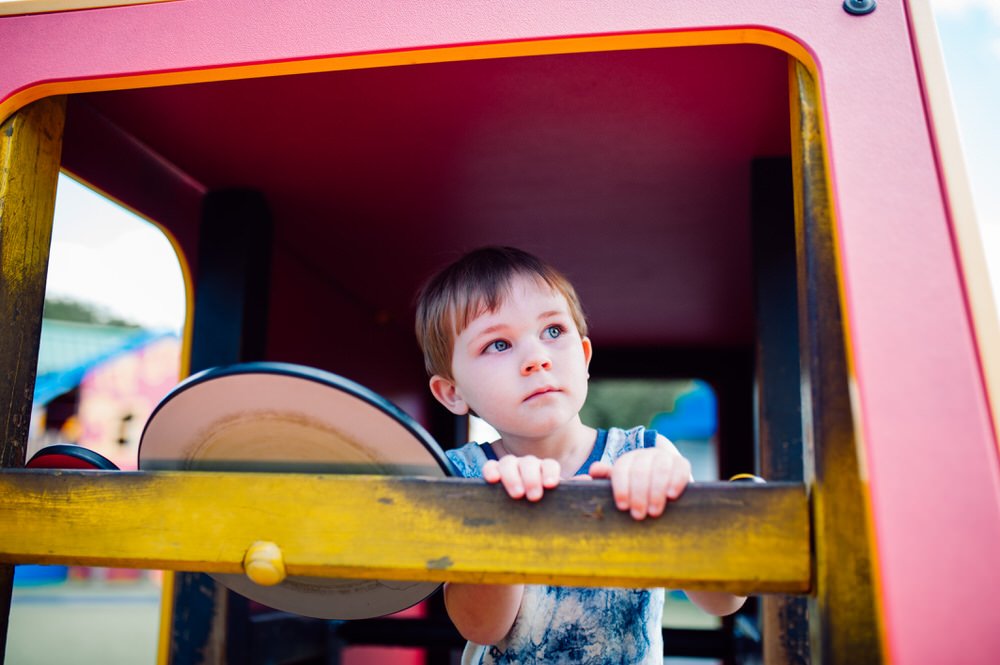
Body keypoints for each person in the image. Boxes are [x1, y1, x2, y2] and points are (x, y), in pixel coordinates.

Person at [414, 246, 747, 664]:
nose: (537, 359)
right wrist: (504, 517)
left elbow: (723, 601)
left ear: (585, 357)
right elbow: (481, 627)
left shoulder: (643, 453)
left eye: (553, 331)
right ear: (453, 392)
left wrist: (673, 506)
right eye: (498, 344)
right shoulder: (461, 476)